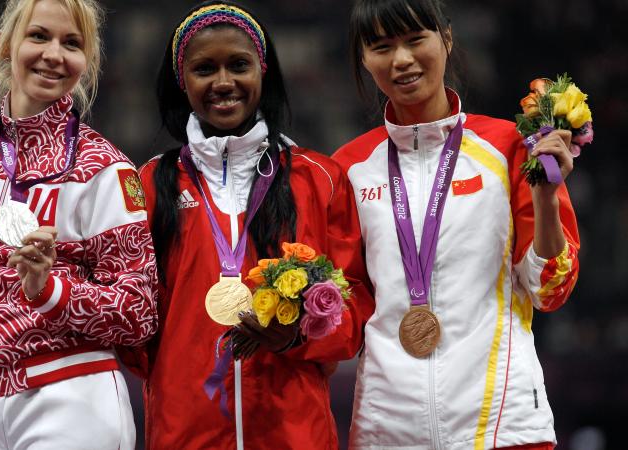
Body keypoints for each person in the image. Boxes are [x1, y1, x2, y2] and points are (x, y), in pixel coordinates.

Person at [0, 0, 158, 448]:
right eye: (39, 36)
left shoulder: (106, 168)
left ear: (87, 61)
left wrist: (49, 289)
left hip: (69, 393)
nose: (54, 54)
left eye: (71, 43)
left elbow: (139, 313)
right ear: (6, 44)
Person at [117, 1, 372, 448]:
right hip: (186, 434)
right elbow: (134, 331)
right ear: (182, 80)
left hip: (293, 434)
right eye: (204, 69)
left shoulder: (319, 178)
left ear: (262, 72)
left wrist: (299, 336)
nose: (223, 82)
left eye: (238, 65)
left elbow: (354, 310)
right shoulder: (149, 185)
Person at [332, 0, 581, 449]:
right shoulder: (349, 169)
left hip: (502, 426)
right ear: (364, 59)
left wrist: (545, 197)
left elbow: (549, 291)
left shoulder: (508, 147)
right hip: (387, 430)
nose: (401, 59)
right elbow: (345, 311)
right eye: (382, 47)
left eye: (415, 40)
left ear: (446, 38)